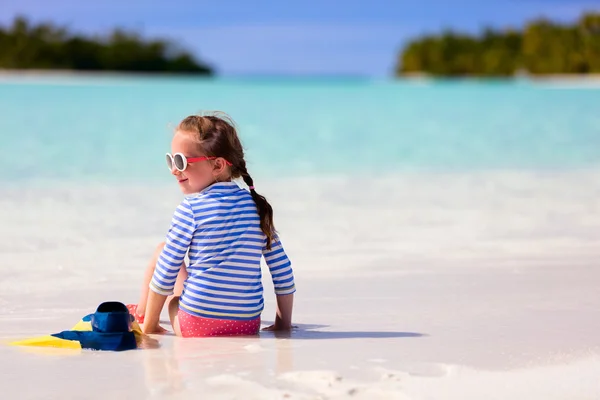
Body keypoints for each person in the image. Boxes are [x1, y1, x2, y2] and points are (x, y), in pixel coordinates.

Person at [127, 112, 296, 337]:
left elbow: (166, 272)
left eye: (181, 162)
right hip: (246, 326)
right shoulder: (257, 208)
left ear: (217, 165)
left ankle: (143, 313)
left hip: (196, 324)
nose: (174, 170)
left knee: (163, 255)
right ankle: (144, 312)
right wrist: (283, 325)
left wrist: (149, 330)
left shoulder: (191, 209)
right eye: (171, 160)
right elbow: (282, 271)